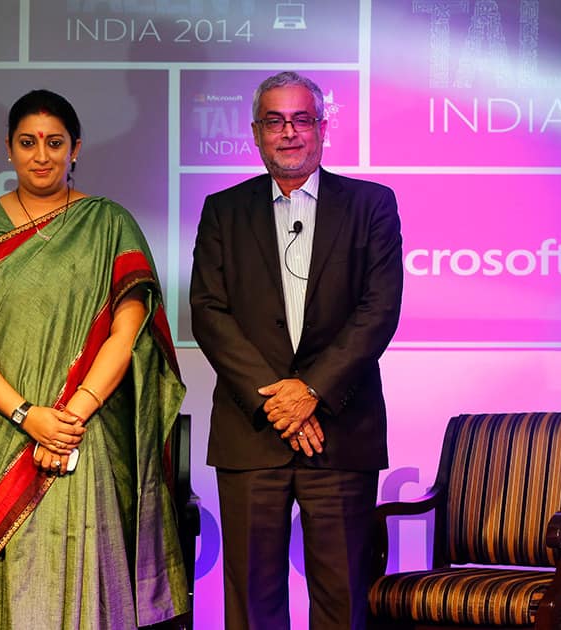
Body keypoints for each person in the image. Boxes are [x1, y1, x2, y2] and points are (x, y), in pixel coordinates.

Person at [0, 89, 188, 629]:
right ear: (8, 149)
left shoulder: (109, 224)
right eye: (28, 143)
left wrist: (72, 415)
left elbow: (128, 330)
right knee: (15, 576)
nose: (42, 155)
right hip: (3, 433)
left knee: (93, 566)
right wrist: (30, 416)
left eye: (55, 143)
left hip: (87, 432)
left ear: (76, 148)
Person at [189, 71, 403, 630]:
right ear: (256, 132)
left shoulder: (371, 205)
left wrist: (311, 392)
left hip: (339, 430)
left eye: (302, 119)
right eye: (275, 121)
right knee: (252, 603)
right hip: (251, 432)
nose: (289, 132)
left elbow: (378, 310)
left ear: (323, 128)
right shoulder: (223, 210)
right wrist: (276, 401)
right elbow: (209, 313)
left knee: (341, 598)